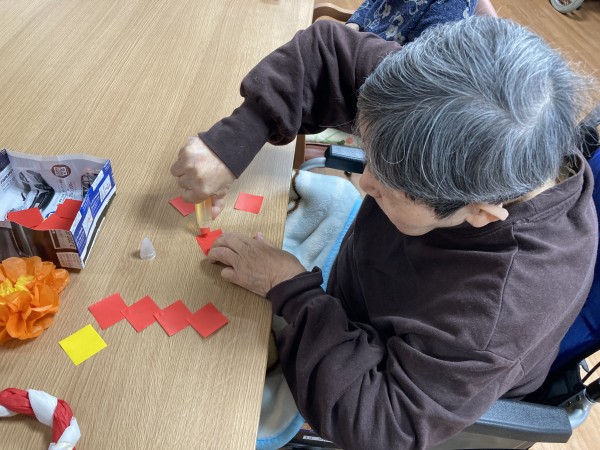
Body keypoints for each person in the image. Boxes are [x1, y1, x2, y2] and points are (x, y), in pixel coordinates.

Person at [170, 17, 598, 450]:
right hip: (358, 283)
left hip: (382, 367)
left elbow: (381, 424)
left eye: (388, 189)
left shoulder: (497, 314)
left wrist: (291, 289)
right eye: (369, 159)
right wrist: (233, 141)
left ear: (480, 213)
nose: (364, 182)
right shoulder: (447, 98)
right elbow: (326, 50)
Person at [345, 0, 498, 44]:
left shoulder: (453, 6)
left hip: (376, 70)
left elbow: (410, 64)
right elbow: (372, 2)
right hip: (359, 41)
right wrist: (354, 24)